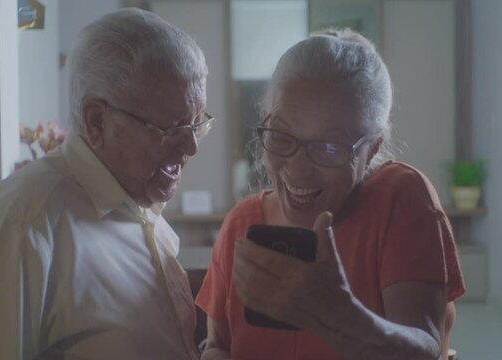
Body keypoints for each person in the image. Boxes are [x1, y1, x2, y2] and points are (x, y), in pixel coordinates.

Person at [0, 8, 214, 360]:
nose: (191, 147)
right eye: (171, 129)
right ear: (97, 121)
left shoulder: (137, 202)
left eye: (197, 125)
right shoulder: (23, 221)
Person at [195, 28, 464, 360]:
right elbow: (218, 345)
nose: (297, 167)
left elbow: (426, 349)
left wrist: (337, 314)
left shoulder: (400, 199)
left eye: (329, 146)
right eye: (280, 135)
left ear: (372, 148)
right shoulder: (242, 223)